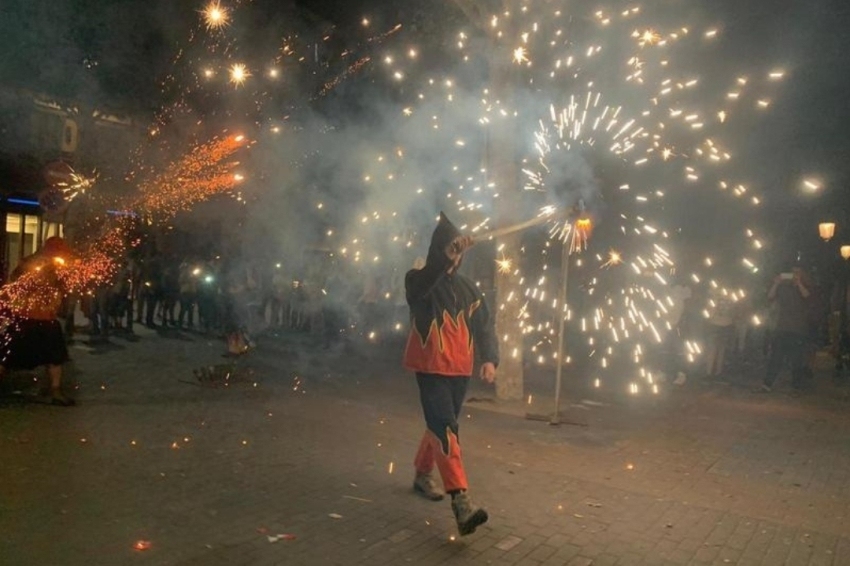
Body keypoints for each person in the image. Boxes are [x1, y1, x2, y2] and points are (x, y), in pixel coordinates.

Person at [404, 212, 498, 536]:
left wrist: (490, 359)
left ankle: (421, 473)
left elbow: (485, 326)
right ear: (440, 250)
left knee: (442, 426)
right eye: (450, 250)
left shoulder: (469, 289)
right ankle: (461, 503)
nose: (457, 258)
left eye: (459, 252)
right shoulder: (418, 280)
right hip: (430, 369)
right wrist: (443, 257)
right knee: (445, 428)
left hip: (460, 371)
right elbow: (426, 281)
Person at [0, 237, 74, 406]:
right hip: (30, 316)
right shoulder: (37, 264)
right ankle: (56, 392)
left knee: (54, 357)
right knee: (6, 355)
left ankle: (56, 391)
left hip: (40, 317)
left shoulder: (52, 265)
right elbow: (16, 284)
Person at [763, 266, 811, 391]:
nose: (794, 275)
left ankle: (797, 385)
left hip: (798, 329)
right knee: (776, 357)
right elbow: (770, 296)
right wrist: (776, 283)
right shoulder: (784, 287)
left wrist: (799, 283)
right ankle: (767, 384)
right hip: (782, 327)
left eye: (797, 273)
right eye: (793, 273)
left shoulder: (804, 287)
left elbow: (807, 296)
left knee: (797, 360)